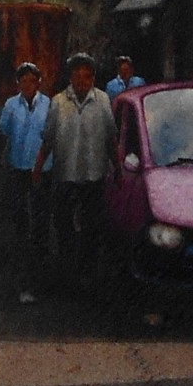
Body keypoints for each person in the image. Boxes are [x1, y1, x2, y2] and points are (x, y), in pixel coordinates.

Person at [33, 52, 117, 284]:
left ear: (92, 79)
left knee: (92, 225)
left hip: (94, 174)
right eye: (77, 77)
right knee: (63, 223)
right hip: (65, 174)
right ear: (70, 78)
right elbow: (48, 140)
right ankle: (66, 268)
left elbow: (111, 138)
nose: (82, 81)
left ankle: (87, 272)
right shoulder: (58, 102)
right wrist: (37, 169)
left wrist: (117, 168)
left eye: (87, 77)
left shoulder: (103, 101)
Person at [0, 61, 52, 304]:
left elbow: (51, 135)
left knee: (40, 214)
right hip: (18, 166)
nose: (27, 85)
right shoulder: (11, 105)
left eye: (32, 80)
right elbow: (4, 131)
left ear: (38, 82)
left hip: (43, 167)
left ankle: (40, 259)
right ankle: (21, 254)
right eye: (23, 81)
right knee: (20, 215)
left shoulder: (49, 104)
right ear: (18, 84)